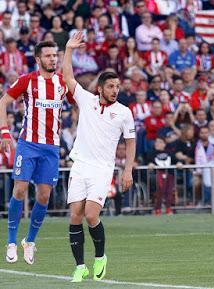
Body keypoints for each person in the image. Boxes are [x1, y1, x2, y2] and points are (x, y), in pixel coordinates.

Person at [62, 32, 136, 282]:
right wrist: (69, 49)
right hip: (80, 165)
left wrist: (128, 170)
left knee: (91, 215)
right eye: (111, 86)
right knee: (75, 215)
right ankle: (80, 266)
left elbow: (131, 141)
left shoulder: (124, 113)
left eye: (118, 86)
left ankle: (101, 257)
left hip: (103, 169)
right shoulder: (86, 100)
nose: (116, 90)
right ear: (101, 88)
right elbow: (68, 77)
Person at [0, 41, 74, 264]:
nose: (53, 59)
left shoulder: (63, 83)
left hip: (51, 148)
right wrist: (4, 132)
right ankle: (11, 241)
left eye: (55, 55)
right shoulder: (27, 80)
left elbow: (79, 101)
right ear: (38, 59)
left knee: (44, 196)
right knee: (20, 190)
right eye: (49, 56)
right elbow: (3, 101)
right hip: (28, 144)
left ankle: (29, 241)